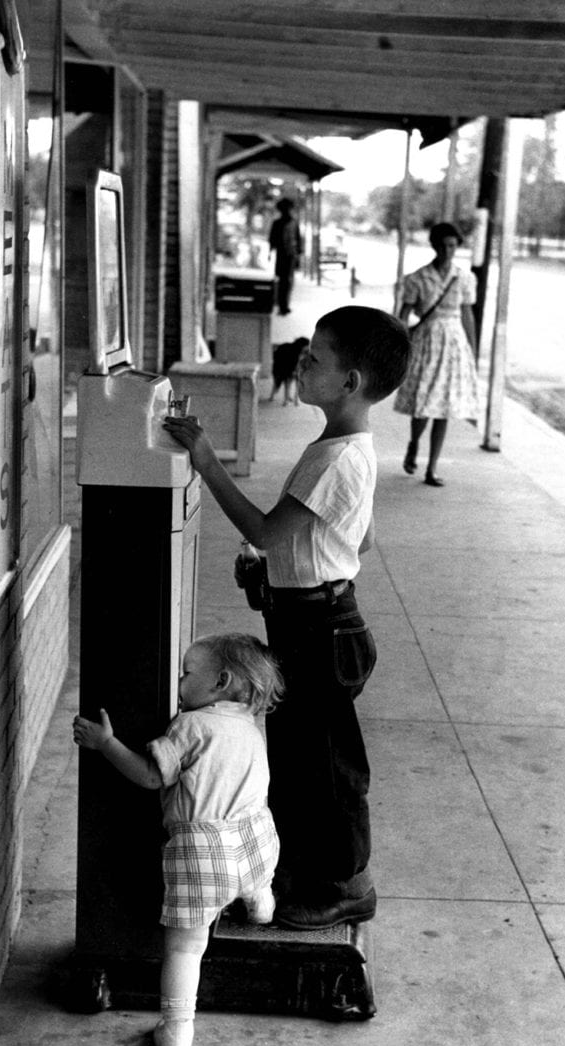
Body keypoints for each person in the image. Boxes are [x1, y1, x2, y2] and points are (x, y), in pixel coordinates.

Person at [163, 306, 410, 931]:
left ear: (350, 382)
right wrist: (275, 572)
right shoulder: (342, 447)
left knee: (328, 768)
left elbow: (267, 530)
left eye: (314, 358)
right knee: (303, 760)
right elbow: (360, 538)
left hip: (320, 630)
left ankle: (347, 884)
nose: (300, 361)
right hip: (313, 620)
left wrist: (206, 459)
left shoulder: (337, 459)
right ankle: (307, 869)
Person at [72, 633, 283, 1046]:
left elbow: (152, 776)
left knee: (186, 948)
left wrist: (106, 743)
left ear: (220, 682)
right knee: (251, 872)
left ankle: (176, 1030)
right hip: (255, 840)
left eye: (186, 674)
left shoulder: (190, 727)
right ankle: (259, 900)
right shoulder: (249, 725)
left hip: (202, 855)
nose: (179, 682)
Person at [394, 222, 480, 486]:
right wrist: (400, 340)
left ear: (457, 247)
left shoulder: (464, 278)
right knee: (423, 403)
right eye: (442, 245)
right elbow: (403, 315)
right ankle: (414, 442)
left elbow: (467, 315)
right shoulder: (418, 278)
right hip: (426, 342)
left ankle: (432, 468)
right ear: (433, 246)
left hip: (454, 344)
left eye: (452, 246)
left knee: (445, 407)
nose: (447, 251)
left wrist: (472, 350)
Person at [268, 197, 302, 315]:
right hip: (288, 255)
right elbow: (298, 240)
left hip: (284, 255)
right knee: (286, 281)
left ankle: (282, 304)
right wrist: (298, 254)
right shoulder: (292, 223)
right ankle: (283, 305)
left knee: (284, 280)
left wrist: (270, 251)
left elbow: (272, 240)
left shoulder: (280, 223)